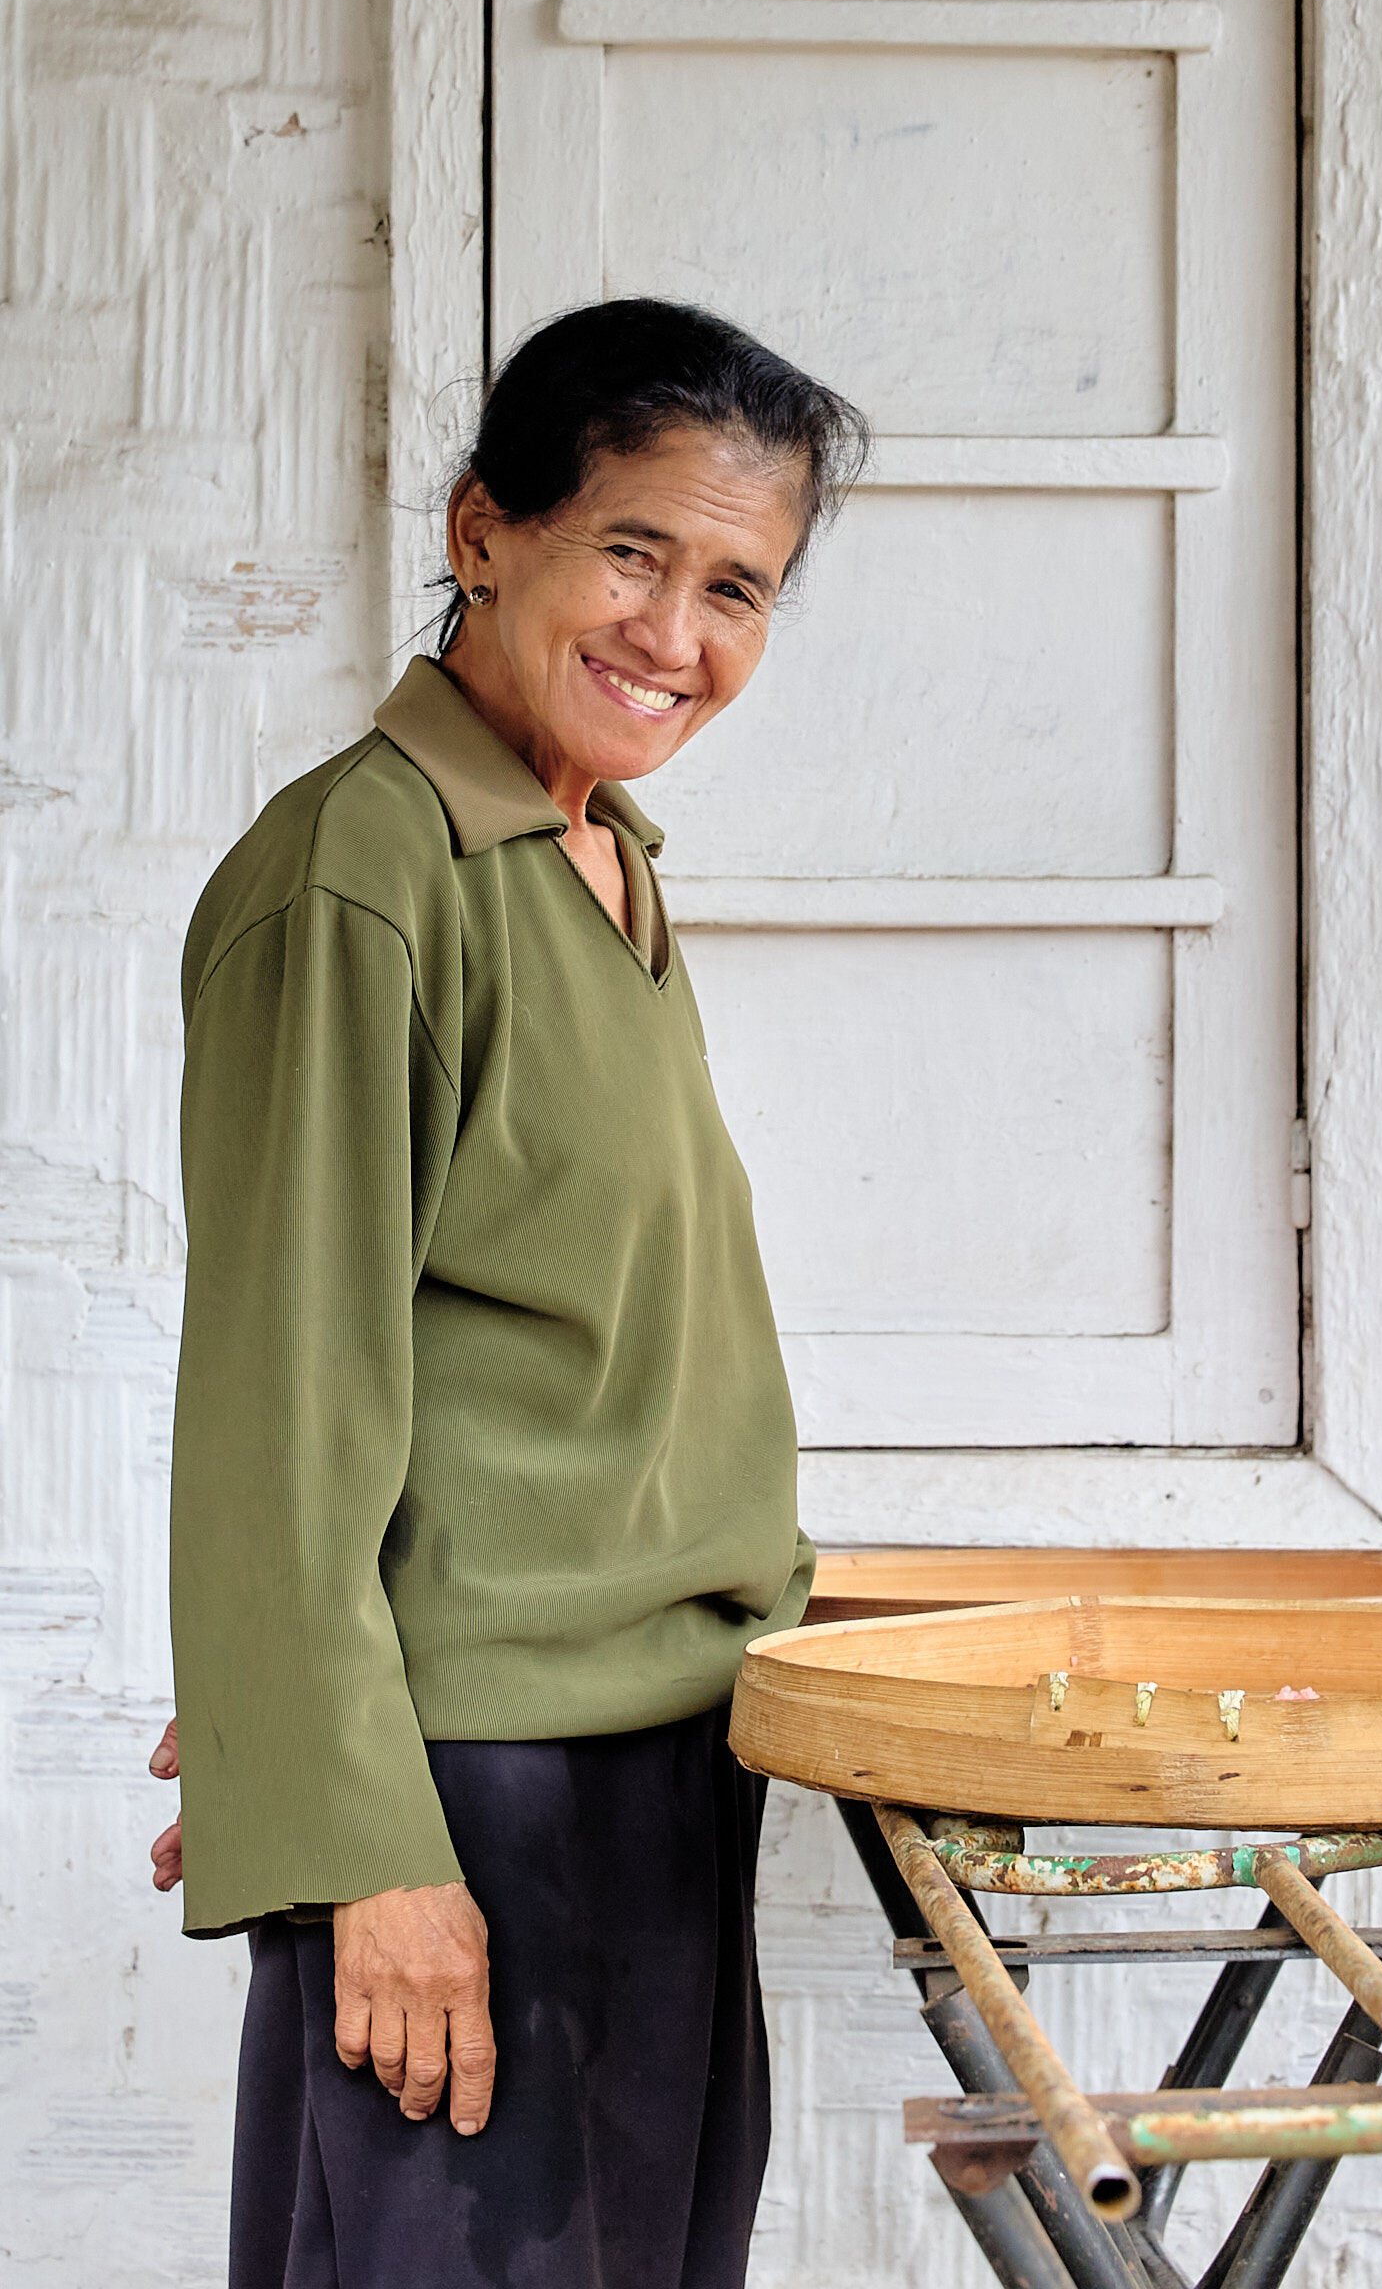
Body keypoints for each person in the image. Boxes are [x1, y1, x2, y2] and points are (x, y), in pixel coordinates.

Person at [145, 299, 868, 2288]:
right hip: (478, 1799)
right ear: (485, 532)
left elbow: (590, 1354)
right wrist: (357, 1833)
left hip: (662, 1755)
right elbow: (286, 1397)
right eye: (633, 552)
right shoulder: (360, 876)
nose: (676, 632)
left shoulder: (595, 855)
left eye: (737, 587)